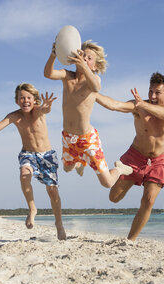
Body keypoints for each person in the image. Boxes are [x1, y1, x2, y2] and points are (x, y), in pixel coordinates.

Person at [0, 83, 66, 240]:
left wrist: (47, 106)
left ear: (35, 100)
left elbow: (45, 110)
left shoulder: (39, 110)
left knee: (52, 191)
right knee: (24, 175)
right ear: (17, 101)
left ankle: (59, 224)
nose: (25, 101)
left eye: (28, 98)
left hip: (47, 156)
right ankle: (32, 209)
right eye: (21, 98)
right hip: (28, 154)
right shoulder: (15, 116)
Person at [95, 72, 164, 240]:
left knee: (148, 201)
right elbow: (115, 105)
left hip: (158, 160)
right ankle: (120, 170)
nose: (152, 95)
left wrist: (143, 105)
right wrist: (92, 94)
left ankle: (130, 241)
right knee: (114, 198)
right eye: (150, 91)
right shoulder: (138, 106)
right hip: (134, 157)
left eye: (157, 92)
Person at [44, 40, 132, 187]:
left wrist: (84, 67)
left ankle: (119, 169)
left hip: (88, 140)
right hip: (68, 137)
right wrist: (54, 55)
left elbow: (96, 87)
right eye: (83, 55)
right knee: (66, 168)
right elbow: (48, 73)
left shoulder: (93, 81)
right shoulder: (67, 76)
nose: (84, 58)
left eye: (89, 58)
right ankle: (79, 162)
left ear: (95, 66)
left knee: (108, 183)